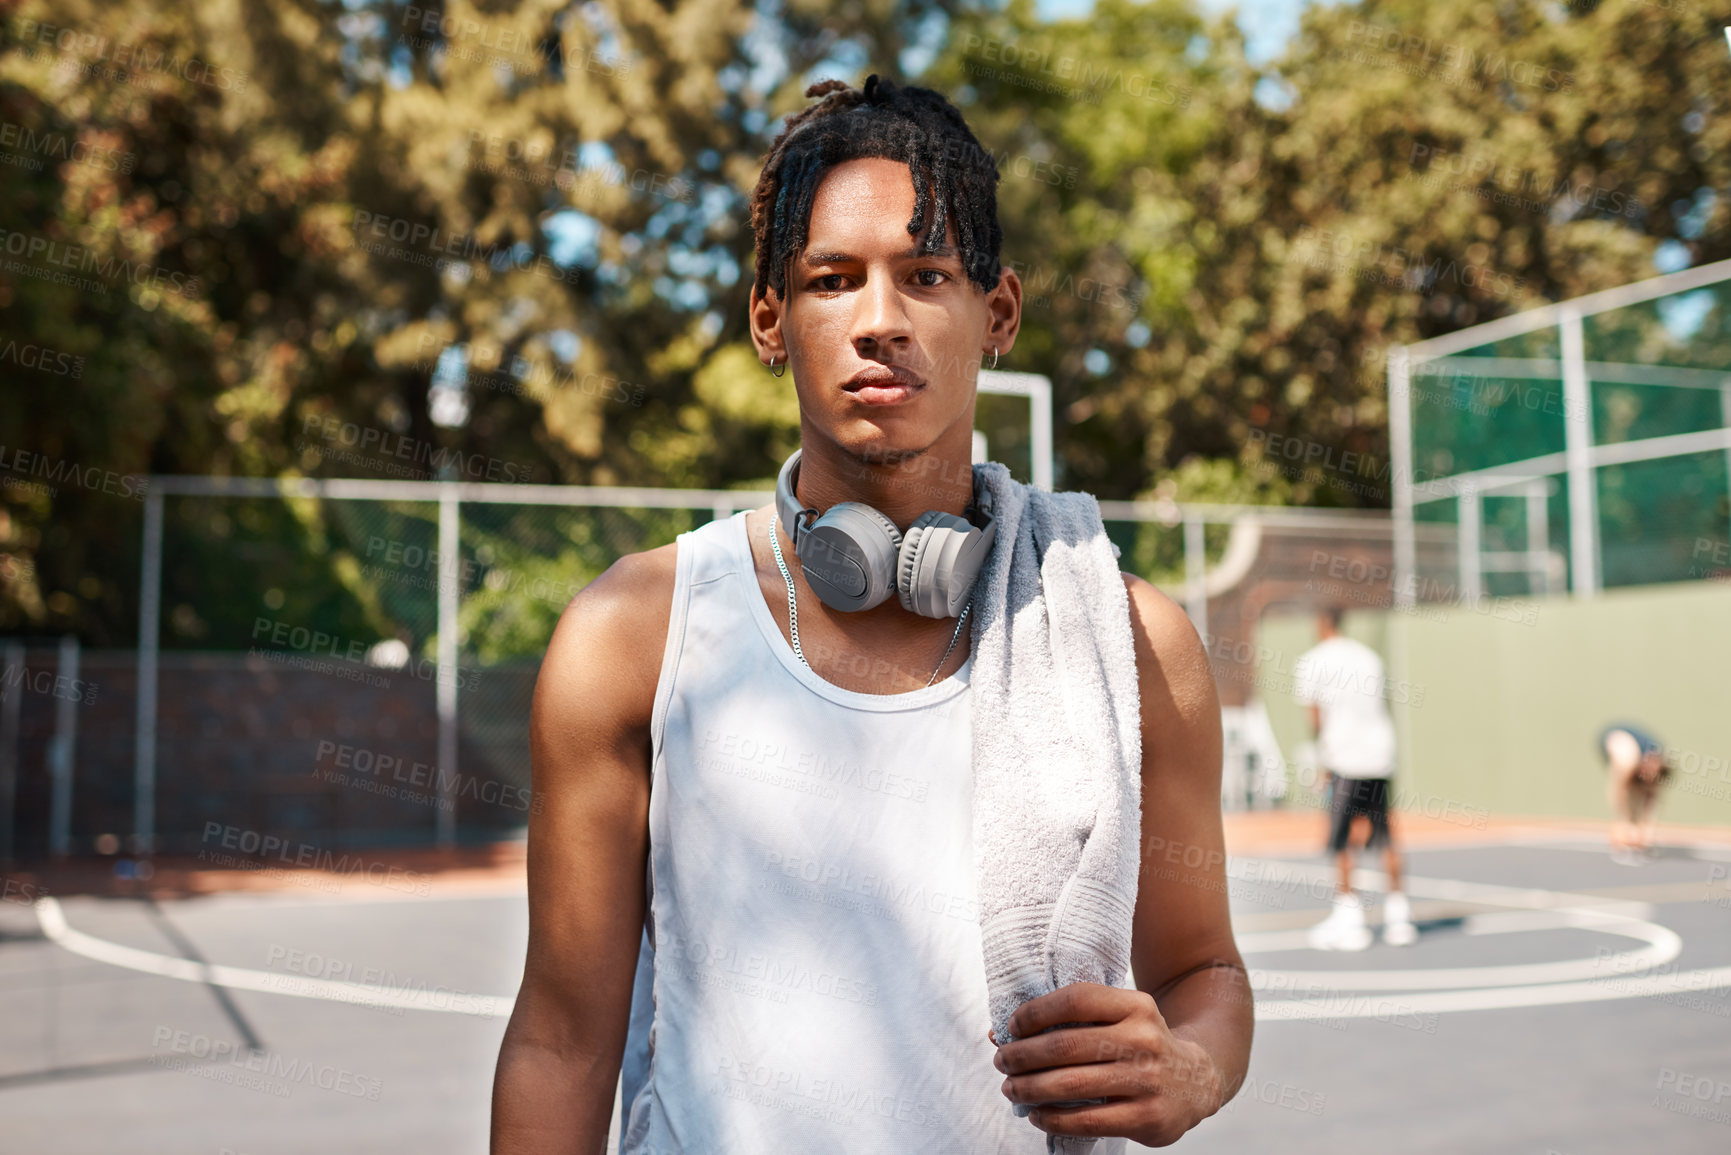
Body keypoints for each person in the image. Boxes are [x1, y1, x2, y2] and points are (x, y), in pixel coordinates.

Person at [490, 74, 1252, 1153]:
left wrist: (1195, 1068)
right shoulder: (634, 634)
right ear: (771, 319)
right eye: (832, 280)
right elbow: (562, 1041)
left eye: (926, 274)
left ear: (999, 314)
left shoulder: (1128, 639)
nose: (879, 321)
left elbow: (1205, 973)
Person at [1294, 607, 1416, 950]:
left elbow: (1315, 716)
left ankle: (1351, 922)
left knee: (1344, 841)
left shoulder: (1313, 661)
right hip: (1379, 757)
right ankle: (1399, 916)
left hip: (1345, 760)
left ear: (1321, 623)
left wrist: (1323, 760)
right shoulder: (1370, 658)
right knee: (1386, 835)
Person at [1597, 722, 1671, 864]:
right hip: (1620, 740)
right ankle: (1623, 831)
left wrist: (1647, 832)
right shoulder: (1626, 757)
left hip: (1640, 758)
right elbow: (1617, 791)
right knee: (1625, 784)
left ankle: (1633, 833)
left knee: (1640, 789)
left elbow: (1653, 800)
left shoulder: (1661, 767)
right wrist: (1623, 824)